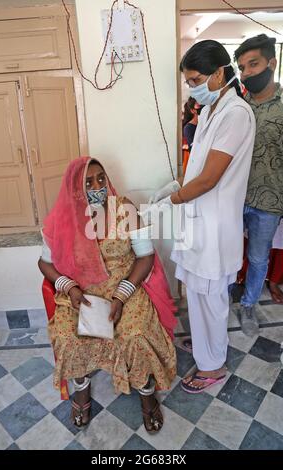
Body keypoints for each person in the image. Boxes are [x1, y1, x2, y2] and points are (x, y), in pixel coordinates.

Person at [146, 40, 256, 393]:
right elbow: (198, 169)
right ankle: (207, 343)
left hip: (215, 223)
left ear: (219, 73)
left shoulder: (236, 113)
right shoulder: (210, 111)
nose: (192, 86)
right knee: (196, 290)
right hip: (198, 219)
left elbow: (210, 179)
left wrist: (172, 201)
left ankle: (213, 366)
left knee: (210, 296)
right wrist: (174, 186)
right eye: (188, 80)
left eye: (195, 79)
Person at [38, 157, 177, 432]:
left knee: (135, 334)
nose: (97, 186)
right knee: (68, 336)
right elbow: (45, 263)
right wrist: (70, 288)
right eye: (88, 182)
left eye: (101, 178)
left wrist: (122, 295)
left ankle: (147, 394)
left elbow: (145, 256)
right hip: (81, 294)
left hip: (125, 286)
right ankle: (81, 387)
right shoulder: (61, 217)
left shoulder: (124, 209)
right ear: (74, 188)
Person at [234, 34, 283, 335]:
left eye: (253, 64)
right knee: (226, 249)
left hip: (269, 202)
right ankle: (224, 294)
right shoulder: (237, 108)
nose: (247, 72)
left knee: (258, 257)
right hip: (234, 198)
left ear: (272, 63)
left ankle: (249, 304)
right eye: (241, 67)